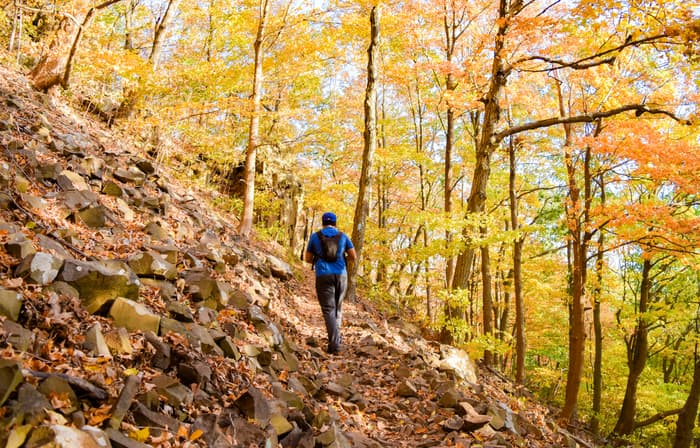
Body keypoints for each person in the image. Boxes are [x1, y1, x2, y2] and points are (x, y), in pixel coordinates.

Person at [304, 212, 356, 354]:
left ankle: (334, 345)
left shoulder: (315, 236)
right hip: (341, 275)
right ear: (335, 222)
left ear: (322, 222)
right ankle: (336, 340)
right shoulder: (343, 236)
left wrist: (319, 256)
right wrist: (341, 256)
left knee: (328, 310)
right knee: (337, 308)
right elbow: (353, 256)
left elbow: (307, 258)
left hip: (323, 275)